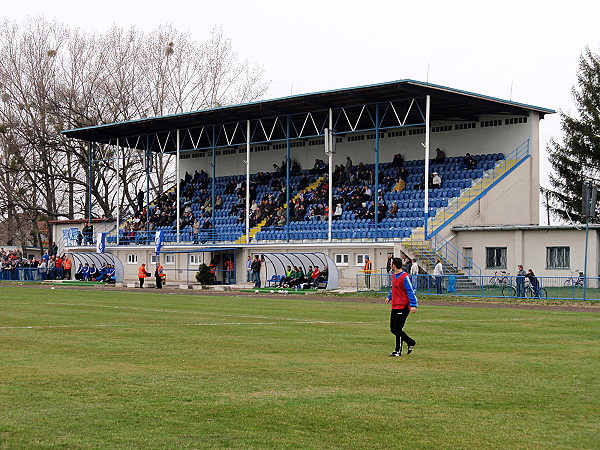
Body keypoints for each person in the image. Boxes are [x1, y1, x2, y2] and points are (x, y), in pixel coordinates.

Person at [386, 257, 418, 357]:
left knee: (398, 328)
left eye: (391, 264)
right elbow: (394, 289)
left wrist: (413, 305)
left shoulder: (405, 277)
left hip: (403, 306)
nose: (391, 265)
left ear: (394, 265)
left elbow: (411, 291)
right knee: (393, 329)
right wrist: (389, 297)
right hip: (395, 305)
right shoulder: (394, 276)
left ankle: (397, 351)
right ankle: (411, 342)